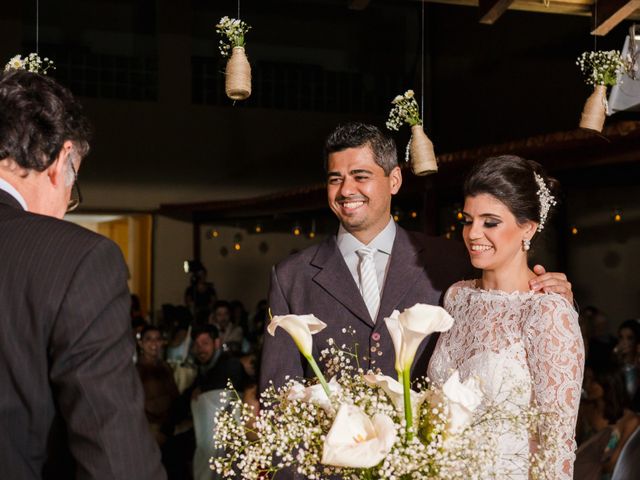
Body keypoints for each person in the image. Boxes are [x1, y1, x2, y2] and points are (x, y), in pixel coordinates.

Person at [260, 123, 573, 395]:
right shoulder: (291, 277)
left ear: (394, 180)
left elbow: (510, 306)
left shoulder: (452, 261)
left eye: (360, 175)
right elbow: (278, 395)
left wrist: (553, 294)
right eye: (335, 179)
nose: (346, 190)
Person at [0, 69, 164, 478]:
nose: (65, 203)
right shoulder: (78, 258)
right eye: (73, 184)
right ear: (60, 159)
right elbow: (116, 459)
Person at [427, 155, 584, 478]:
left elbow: (555, 447)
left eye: (490, 222)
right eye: (467, 220)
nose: (472, 233)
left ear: (527, 227)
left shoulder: (547, 310)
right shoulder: (457, 297)